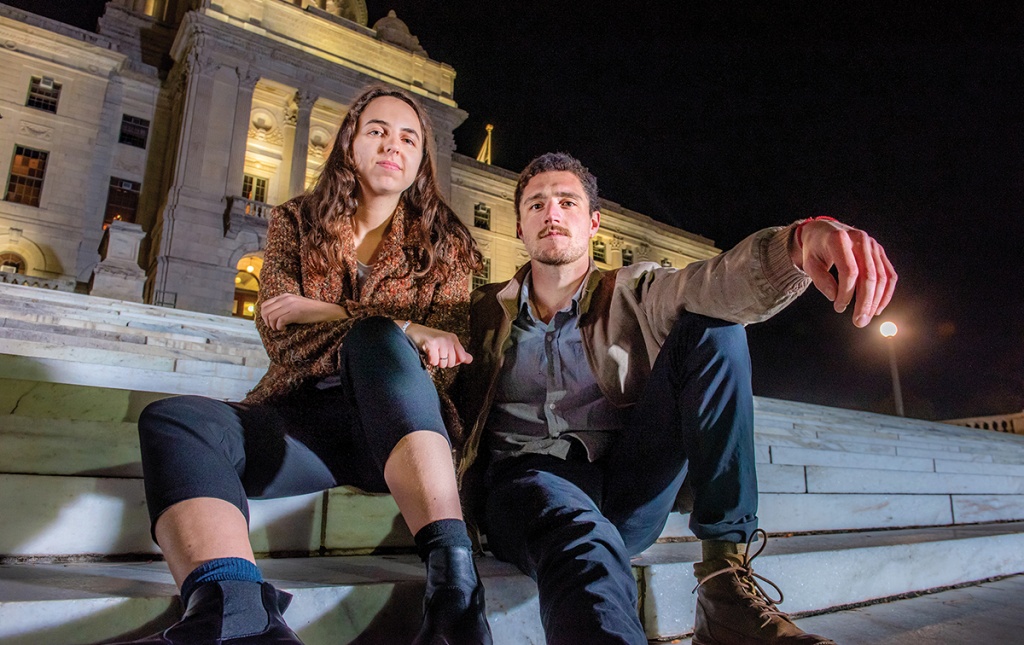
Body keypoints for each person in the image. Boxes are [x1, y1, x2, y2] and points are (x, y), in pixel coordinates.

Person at [455, 152, 896, 645]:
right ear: (519, 227)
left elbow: (708, 284)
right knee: (576, 537)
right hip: (528, 485)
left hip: (623, 486)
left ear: (594, 222)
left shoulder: (634, 290)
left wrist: (799, 240)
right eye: (536, 205)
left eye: (566, 202)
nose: (551, 213)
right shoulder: (480, 313)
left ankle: (724, 584)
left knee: (714, 326)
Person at [115, 86, 492, 645]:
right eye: (378, 131)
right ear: (350, 143)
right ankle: (235, 609)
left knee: (375, 343)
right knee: (174, 419)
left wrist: (341, 316)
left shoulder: (448, 244)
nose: (393, 145)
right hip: (307, 425)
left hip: (403, 439)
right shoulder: (297, 220)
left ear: (421, 161)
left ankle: (455, 594)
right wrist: (407, 326)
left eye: (409, 138)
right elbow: (280, 334)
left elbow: (446, 362)